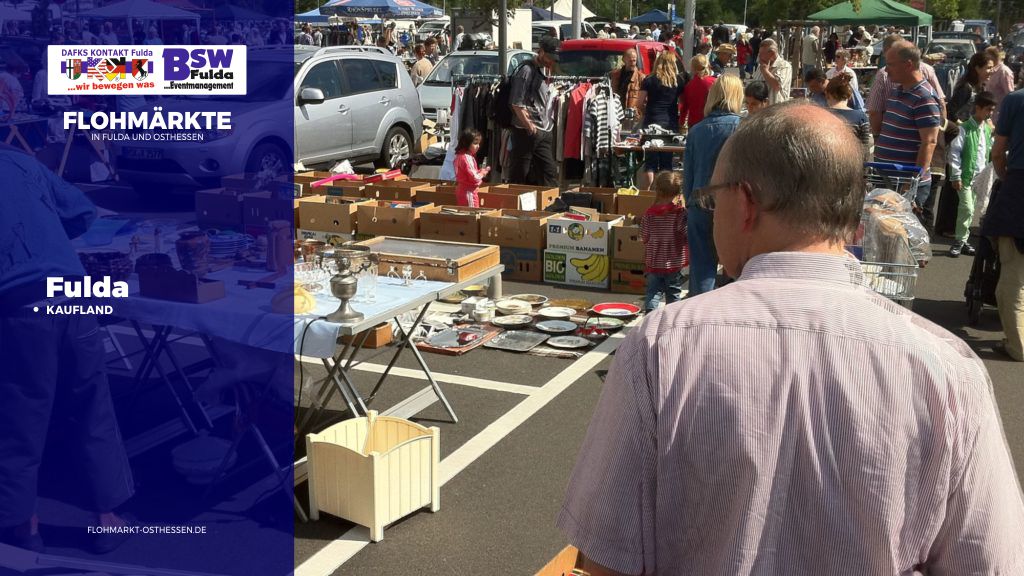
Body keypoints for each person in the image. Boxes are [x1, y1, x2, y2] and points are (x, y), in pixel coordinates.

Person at [557, 101, 1024, 575]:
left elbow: (605, 558)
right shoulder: (946, 367)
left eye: (713, 199)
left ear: (745, 203)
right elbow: (990, 562)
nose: (711, 215)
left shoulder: (662, 344)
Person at [0, 146, 136, 554]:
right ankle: (106, 518)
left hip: (21, 305)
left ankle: (24, 524)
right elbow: (81, 212)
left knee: (21, 415)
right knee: (92, 405)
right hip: (71, 294)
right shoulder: (20, 161)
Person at [682, 75, 743, 296]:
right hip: (733, 204)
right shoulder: (742, 127)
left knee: (701, 268)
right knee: (739, 267)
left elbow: (688, 175)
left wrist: (689, 202)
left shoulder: (696, 130)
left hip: (699, 202)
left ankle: (700, 310)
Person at [874, 42, 942, 220]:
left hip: (904, 185)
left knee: (901, 233)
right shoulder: (897, 91)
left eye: (890, 64)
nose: (886, 69)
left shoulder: (924, 97)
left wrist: (910, 186)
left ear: (908, 65)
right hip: (887, 180)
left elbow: (929, 142)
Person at [982, 87, 1024, 361]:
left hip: (1019, 191)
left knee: (1013, 276)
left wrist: (1005, 177)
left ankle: (1018, 346)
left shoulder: (1016, 100)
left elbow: (998, 151)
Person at [868, 35, 947, 138]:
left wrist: (878, 136)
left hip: (899, 138)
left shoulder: (883, 74)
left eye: (890, 64)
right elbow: (941, 103)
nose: (887, 69)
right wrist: (940, 134)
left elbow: (874, 111)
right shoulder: (928, 70)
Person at [948, 91, 997, 257]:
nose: (990, 114)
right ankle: (959, 241)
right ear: (978, 108)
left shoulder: (987, 130)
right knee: (967, 208)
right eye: (988, 109)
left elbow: (990, 150)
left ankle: (963, 240)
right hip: (965, 177)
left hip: (980, 178)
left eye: (992, 110)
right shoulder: (964, 128)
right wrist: (956, 175)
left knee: (971, 209)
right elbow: (954, 153)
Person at [508, 36, 559, 188]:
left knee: (549, 171)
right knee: (520, 174)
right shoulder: (526, 70)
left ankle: (550, 200)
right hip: (526, 131)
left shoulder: (542, 70)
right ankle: (514, 201)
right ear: (541, 52)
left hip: (543, 130)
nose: (551, 61)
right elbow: (516, 103)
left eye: (554, 58)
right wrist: (529, 126)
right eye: (549, 57)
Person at [640, 171, 688, 312]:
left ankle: (650, 316)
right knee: (673, 292)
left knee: (653, 292)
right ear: (677, 192)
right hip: (674, 262)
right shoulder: (679, 213)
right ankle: (672, 320)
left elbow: (645, 236)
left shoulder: (649, 213)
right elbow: (685, 233)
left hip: (654, 262)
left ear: (658, 190)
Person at [636, 51, 685, 186]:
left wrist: (646, 111)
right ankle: (666, 192)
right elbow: (682, 102)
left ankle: (647, 193)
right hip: (670, 124)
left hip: (651, 122)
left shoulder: (649, 80)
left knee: (650, 162)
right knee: (666, 161)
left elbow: (639, 103)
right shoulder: (678, 81)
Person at [826, 72, 872, 160]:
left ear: (827, 94)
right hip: (852, 164)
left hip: (828, 164)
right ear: (850, 95)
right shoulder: (861, 117)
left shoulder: (820, 115)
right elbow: (864, 150)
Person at [947, 52, 996, 123]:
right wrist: (962, 125)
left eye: (992, 67)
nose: (992, 71)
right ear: (978, 68)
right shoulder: (966, 88)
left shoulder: (981, 87)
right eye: (989, 68)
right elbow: (950, 111)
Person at [453, 129, 490, 208]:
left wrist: (480, 171)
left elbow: (468, 174)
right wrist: (483, 173)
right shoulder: (467, 158)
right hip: (469, 192)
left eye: (479, 143)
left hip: (462, 190)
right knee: (472, 214)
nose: (478, 146)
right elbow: (475, 178)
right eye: (475, 143)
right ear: (467, 143)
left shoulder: (459, 156)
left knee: (465, 213)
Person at [609, 49, 646, 127]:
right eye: (630, 61)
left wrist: (637, 112)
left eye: (634, 60)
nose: (633, 63)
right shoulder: (614, 75)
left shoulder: (641, 78)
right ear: (624, 60)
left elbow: (645, 101)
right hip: (615, 116)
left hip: (633, 119)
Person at [751, 38, 792, 104]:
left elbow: (777, 86)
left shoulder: (784, 66)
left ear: (772, 53)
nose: (759, 56)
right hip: (761, 107)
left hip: (776, 107)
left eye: (762, 54)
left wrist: (765, 71)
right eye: (759, 53)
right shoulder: (761, 65)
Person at [680, 55, 715, 130]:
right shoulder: (715, 82)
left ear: (692, 68)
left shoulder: (689, 85)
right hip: (710, 122)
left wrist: (681, 122)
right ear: (708, 65)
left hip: (694, 123)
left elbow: (684, 107)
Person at [985, 47, 1015, 121]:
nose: (986, 59)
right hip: (989, 114)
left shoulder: (1004, 72)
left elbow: (1010, 94)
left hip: (999, 114)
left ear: (994, 56)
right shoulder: (991, 70)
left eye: (987, 56)